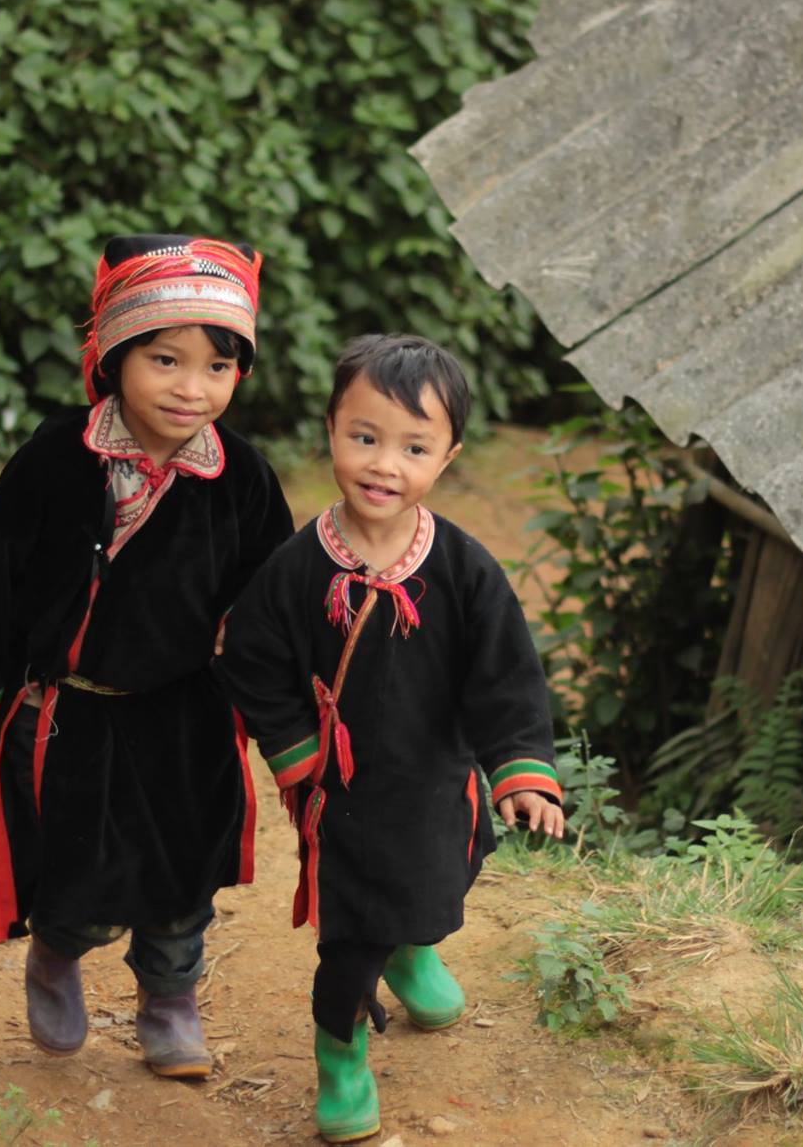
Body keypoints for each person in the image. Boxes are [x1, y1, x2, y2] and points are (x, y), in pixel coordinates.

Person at [0, 234, 295, 1079]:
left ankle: (170, 1000)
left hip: (188, 714)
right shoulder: (56, 460)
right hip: (73, 710)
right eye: (166, 360)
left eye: (217, 367)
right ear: (114, 356)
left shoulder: (242, 477)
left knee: (184, 868)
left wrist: (263, 667)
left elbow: (272, 590)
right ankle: (58, 953)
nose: (191, 387)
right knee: (75, 859)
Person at [214, 333, 566, 1144]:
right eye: (364, 437)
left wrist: (521, 771)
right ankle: (341, 1056)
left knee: (450, 871)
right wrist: (298, 753)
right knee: (351, 938)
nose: (383, 465)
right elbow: (251, 660)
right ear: (332, 431)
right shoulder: (297, 568)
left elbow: (506, 673)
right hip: (344, 795)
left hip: (439, 779)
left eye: (414, 447)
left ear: (448, 457)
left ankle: (414, 950)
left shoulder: (465, 569)